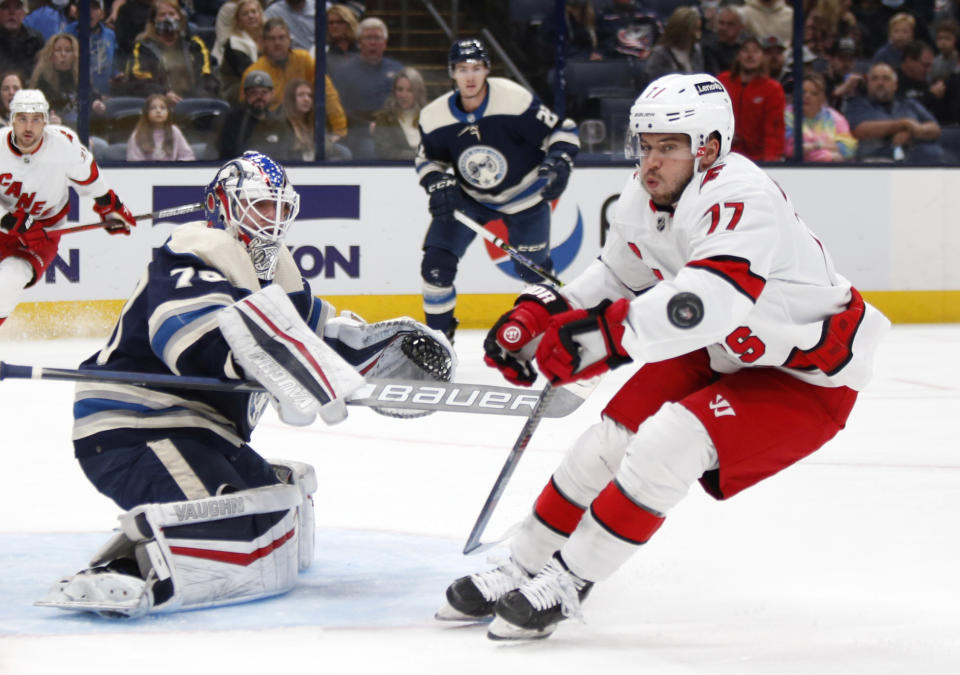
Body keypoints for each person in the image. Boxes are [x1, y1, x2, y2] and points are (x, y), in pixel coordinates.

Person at [436, 72, 890, 641]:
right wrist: (542, 311)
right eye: (645, 145)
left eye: (668, 147)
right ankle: (522, 563)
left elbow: (706, 303)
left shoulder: (742, 196)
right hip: (725, 350)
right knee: (604, 443)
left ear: (711, 147)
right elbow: (615, 276)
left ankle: (571, 581)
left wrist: (595, 340)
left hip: (804, 377)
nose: (650, 162)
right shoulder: (645, 195)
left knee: (665, 445)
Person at [34, 151, 455, 619]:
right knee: (229, 528)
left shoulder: (276, 274)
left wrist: (376, 353)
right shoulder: (192, 251)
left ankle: (155, 543)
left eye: (279, 208)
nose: (272, 220)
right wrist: (269, 365)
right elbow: (189, 337)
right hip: (137, 428)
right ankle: (121, 571)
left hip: (203, 430)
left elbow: (316, 341)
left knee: (272, 516)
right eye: (259, 205)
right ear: (223, 205)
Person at [416, 39, 580, 340]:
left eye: (476, 68)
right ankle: (437, 342)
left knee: (535, 276)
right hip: (470, 199)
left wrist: (560, 161)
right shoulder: (434, 116)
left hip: (526, 198)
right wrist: (436, 182)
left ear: (487, 69)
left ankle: (550, 337)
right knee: (436, 266)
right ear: (451, 72)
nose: (470, 76)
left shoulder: (512, 99)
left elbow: (562, 130)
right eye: (462, 68)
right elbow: (427, 159)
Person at [0, 89, 136, 331]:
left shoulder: (63, 144)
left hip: (42, 235)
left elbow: (90, 178)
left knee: (8, 282)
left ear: (46, 121)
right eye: (22, 119)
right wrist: (11, 220)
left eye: (36, 119)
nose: (28, 127)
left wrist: (107, 208)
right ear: (12, 120)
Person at [329, 16, 404, 159]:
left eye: (377, 38)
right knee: (369, 152)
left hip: (393, 129)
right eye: (368, 38)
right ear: (359, 43)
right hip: (359, 130)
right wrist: (366, 124)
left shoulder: (397, 70)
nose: (373, 43)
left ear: (385, 44)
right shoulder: (344, 71)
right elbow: (339, 108)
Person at [844, 61, 944, 162]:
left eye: (886, 78)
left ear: (895, 85)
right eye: (874, 79)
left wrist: (912, 133)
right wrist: (903, 124)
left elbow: (935, 128)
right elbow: (859, 130)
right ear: (868, 84)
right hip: (874, 163)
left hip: (915, 162)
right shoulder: (856, 105)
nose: (880, 83)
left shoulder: (909, 104)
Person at [122, 0, 219, 104]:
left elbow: (208, 76)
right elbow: (138, 80)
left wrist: (198, 97)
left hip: (193, 102)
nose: (168, 18)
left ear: (180, 18)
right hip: (158, 104)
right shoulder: (142, 47)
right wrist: (163, 94)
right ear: (153, 20)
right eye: (162, 15)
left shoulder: (194, 44)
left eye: (172, 14)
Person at [718, 36, 786, 161]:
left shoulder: (772, 89)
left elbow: (774, 131)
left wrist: (772, 162)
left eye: (755, 51)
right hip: (724, 157)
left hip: (757, 160)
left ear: (763, 56)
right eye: (746, 50)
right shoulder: (722, 82)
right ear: (738, 55)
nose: (750, 55)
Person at [29, 32, 105, 129]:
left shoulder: (81, 78)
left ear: (74, 56)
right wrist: (48, 119)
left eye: (68, 50)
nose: (63, 54)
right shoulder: (42, 82)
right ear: (50, 55)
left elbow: (93, 97)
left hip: (83, 131)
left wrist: (96, 104)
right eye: (58, 50)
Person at [241, 17, 314, 111]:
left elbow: (327, 93)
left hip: (305, 121)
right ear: (264, 42)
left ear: (289, 39)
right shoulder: (253, 72)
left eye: (282, 37)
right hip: (270, 123)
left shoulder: (304, 59)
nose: (277, 43)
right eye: (272, 39)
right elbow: (248, 110)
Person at [785, 72, 858, 161]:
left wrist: (816, 146)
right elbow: (790, 149)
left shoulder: (835, 117)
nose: (807, 96)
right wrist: (829, 155)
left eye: (814, 93)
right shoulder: (787, 116)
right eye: (803, 92)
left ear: (822, 98)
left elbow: (849, 148)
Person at [217, 69, 287, 159]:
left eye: (264, 92)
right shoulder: (232, 122)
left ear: (272, 94)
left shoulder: (278, 122)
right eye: (253, 92)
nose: (259, 97)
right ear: (245, 94)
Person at [278, 77, 351, 161]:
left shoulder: (315, 119)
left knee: (343, 152)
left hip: (315, 161)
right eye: (300, 95)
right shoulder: (281, 123)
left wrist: (329, 141)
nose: (306, 99)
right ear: (290, 99)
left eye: (310, 95)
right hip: (296, 165)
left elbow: (325, 146)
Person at [65, 0, 118, 98]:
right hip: (76, 95)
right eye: (85, 7)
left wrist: (117, 76)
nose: (89, 11)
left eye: (94, 7)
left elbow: (115, 65)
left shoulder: (110, 35)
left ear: (102, 14)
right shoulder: (67, 34)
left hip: (106, 96)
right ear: (76, 13)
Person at [372, 66, 426, 160]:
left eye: (410, 90)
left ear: (418, 92)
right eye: (400, 89)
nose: (403, 95)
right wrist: (418, 155)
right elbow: (386, 152)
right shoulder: (384, 117)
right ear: (394, 91)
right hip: (397, 169)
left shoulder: (428, 114)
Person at [214, 0, 263, 101]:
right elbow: (250, 74)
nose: (251, 16)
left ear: (260, 15)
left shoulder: (268, 38)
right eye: (245, 14)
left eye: (254, 12)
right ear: (239, 20)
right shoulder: (234, 43)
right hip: (237, 90)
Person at [126, 93, 195, 161]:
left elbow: (188, 156)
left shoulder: (174, 131)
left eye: (163, 108)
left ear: (168, 112)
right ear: (146, 113)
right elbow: (135, 164)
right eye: (153, 108)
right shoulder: (137, 135)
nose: (158, 111)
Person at [643, 6, 705, 81]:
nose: (698, 35)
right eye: (695, 30)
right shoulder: (660, 54)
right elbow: (654, 82)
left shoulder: (696, 49)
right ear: (683, 30)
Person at [0, 0, 46, 82]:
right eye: (6, 8)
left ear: (24, 13)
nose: (12, 13)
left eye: (17, 8)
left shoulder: (35, 40)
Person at [702, 5, 744, 75]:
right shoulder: (708, 47)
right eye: (721, 23)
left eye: (730, 24)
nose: (724, 28)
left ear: (741, 27)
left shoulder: (744, 47)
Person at [326, 3, 360, 70]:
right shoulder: (322, 54)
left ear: (349, 24)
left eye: (339, 22)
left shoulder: (363, 52)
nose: (334, 26)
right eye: (331, 23)